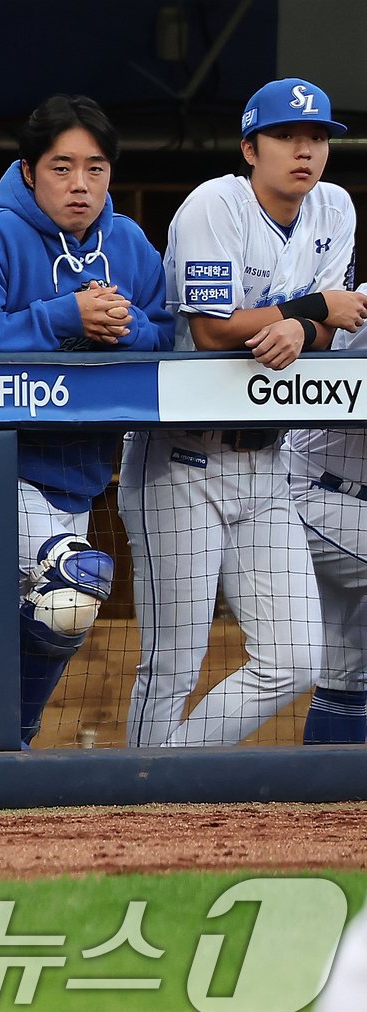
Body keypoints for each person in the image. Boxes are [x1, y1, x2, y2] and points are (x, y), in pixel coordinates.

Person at [0, 95, 174, 748]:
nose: (80, 184)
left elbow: (167, 337)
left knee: (63, 611)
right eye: (62, 167)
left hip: (76, 475)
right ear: (28, 171)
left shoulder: (131, 244)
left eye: (95, 168)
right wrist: (65, 316)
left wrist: (126, 326)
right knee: (74, 580)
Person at [121, 77, 366, 748]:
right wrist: (307, 311)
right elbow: (213, 331)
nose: (305, 150)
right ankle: (141, 803)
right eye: (287, 136)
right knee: (172, 665)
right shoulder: (214, 204)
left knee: (294, 659)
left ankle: (169, 778)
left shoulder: (334, 209)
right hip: (182, 456)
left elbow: (336, 329)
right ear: (250, 147)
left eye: (317, 137)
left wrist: (302, 326)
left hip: (266, 463)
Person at [286, 306, 367, 745]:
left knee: (347, 670)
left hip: (355, 509)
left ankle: (334, 800)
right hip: (313, 490)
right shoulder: (366, 305)